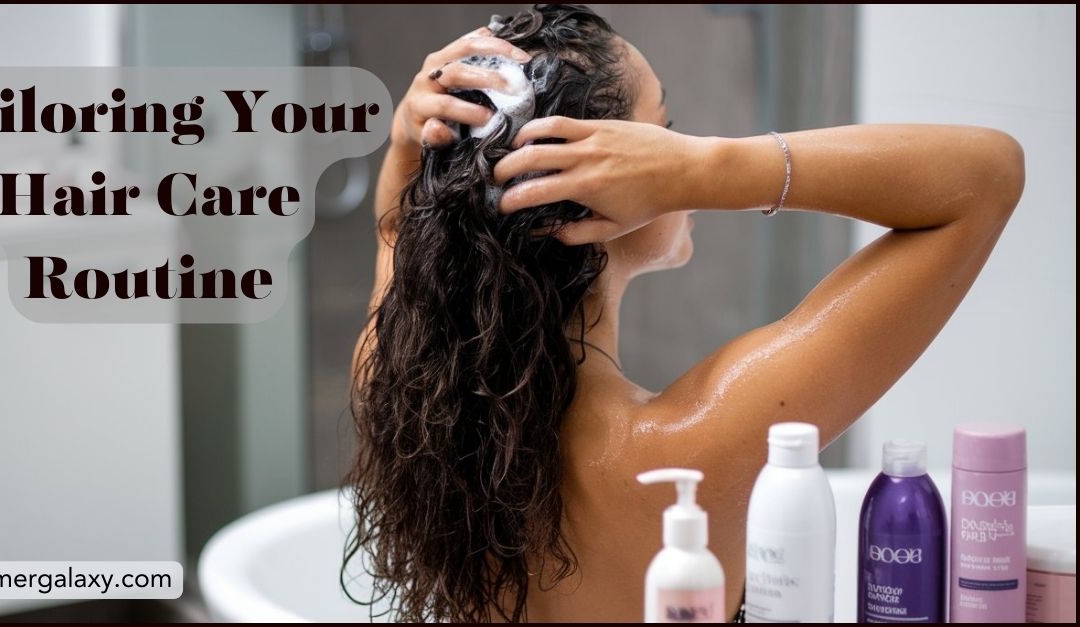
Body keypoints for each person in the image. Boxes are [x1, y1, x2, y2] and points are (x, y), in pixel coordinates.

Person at [344, 4, 1026, 623]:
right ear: (593, 195)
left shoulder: (396, 381)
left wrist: (414, 140)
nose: (677, 149)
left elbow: (394, 237)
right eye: (663, 133)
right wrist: (712, 168)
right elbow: (988, 175)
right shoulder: (689, 451)